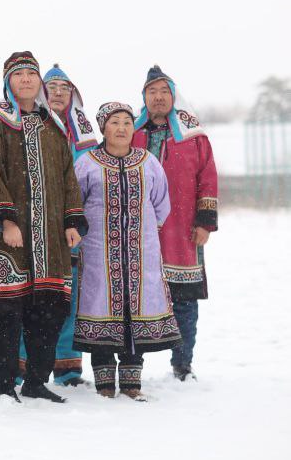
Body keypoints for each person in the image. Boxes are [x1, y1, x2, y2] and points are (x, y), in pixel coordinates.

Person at [0, 51, 86, 404]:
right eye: (18, 74)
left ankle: (37, 380)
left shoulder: (52, 124)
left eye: (31, 74)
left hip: (51, 236)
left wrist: (72, 219)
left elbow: (68, 176)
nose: (26, 80)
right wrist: (6, 219)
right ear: (7, 82)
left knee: (49, 311)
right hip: (12, 234)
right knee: (7, 311)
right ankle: (3, 380)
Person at [75, 102, 181, 400]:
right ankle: (104, 381)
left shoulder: (148, 162)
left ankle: (132, 380)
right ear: (103, 128)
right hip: (98, 251)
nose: (121, 128)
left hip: (141, 250)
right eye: (114, 122)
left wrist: (142, 230)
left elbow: (161, 203)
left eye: (126, 122)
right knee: (100, 305)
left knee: (137, 308)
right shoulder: (87, 163)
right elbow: (75, 204)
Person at [131, 65, 218, 381]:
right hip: (137, 232)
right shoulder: (131, 133)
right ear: (144, 98)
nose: (158, 97)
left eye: (164, 91)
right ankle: (132, 365)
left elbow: (207, 177)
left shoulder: (194, 136)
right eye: (152, 92)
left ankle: (182, 364)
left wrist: (205, 221)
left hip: (182, 231)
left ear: (174, 96)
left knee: (184, 301)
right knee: (135, 299)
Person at [15, 64, 98, 387]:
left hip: (73, 229)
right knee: (29, 298)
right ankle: (23, 365)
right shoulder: (28, 124)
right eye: (53, 88)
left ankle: (67, 367)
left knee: (67, 299)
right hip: (34, 224)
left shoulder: (86, 137)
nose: (59, 93)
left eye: (65, 88)